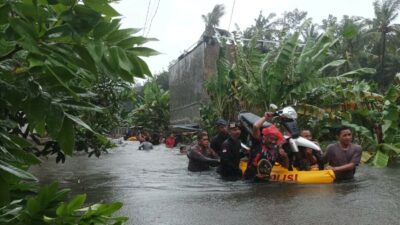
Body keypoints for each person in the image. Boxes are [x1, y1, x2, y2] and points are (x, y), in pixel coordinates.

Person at [244, 112, 289, 181]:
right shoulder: (258, 142)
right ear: (265, 137)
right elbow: (255, 126)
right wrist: (265, 118)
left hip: (265, 182)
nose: (273, 141)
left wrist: (285, 157)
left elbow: (286, 166)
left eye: (275, 139)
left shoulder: (276, 150)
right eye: (271, 138)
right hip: (249, 181)